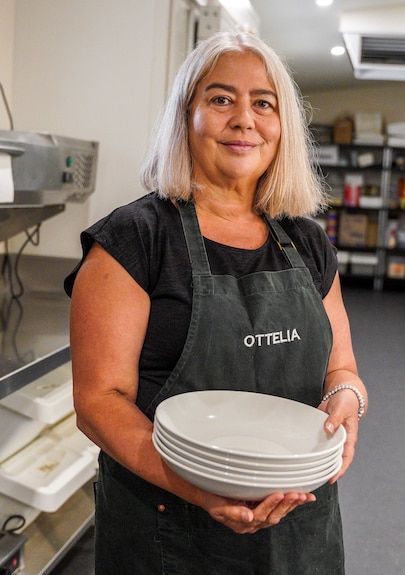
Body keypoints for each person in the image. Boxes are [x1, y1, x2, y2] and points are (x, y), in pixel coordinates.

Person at [65, 30, 368, 574]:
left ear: (283, 127)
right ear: (187, 117)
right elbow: (98, 401)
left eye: (264, 103)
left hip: (298, 528)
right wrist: (198, 488)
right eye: (221, 98)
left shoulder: (308, 243)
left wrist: (348, 402)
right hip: (169, 529)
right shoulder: (135, 240)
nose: (244, 119)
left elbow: (342, 368)